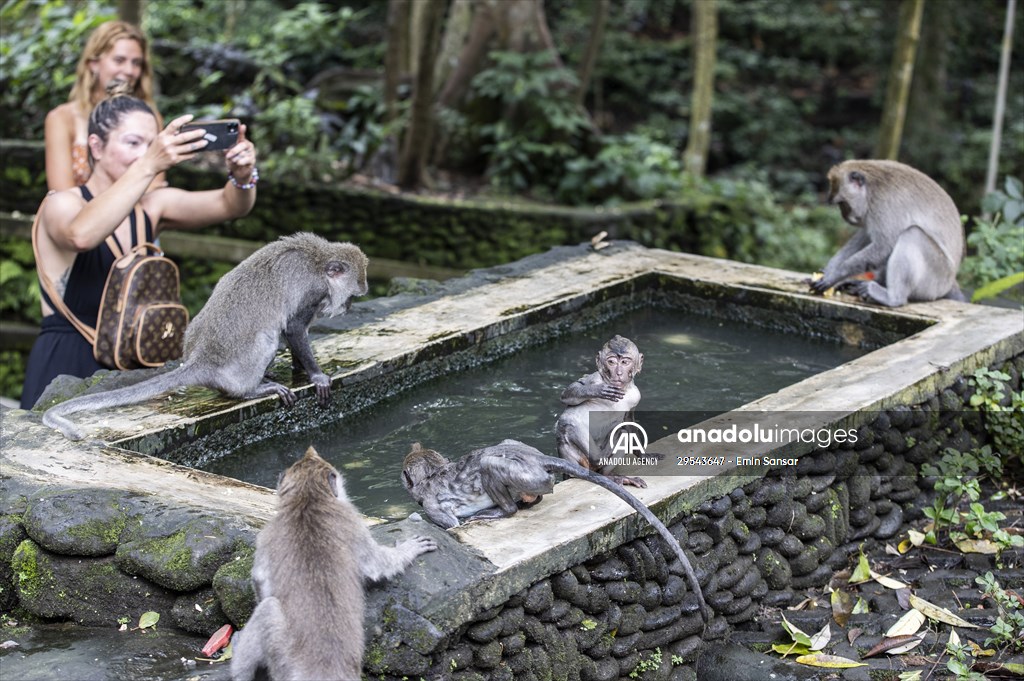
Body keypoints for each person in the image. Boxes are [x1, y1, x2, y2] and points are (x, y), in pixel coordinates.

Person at [21, 90, 259, 409]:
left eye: (150, 145)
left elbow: (230, 205)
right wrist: (149, 164)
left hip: (132, 369)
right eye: (133, 143)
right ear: (96, 146)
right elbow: (81, 236)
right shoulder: (61, 203)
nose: (144, 154)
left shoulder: (151, 207)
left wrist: (242, 177)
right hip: (66, 365)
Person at [44, 20, 165, 192]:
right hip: (78, 215)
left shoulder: (151, 118)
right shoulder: (63, 118)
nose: (129, 71)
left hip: (137, 216)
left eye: (136, 63)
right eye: (119, 60)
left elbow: (154, 188)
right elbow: (60, 192)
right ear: (94, 64)